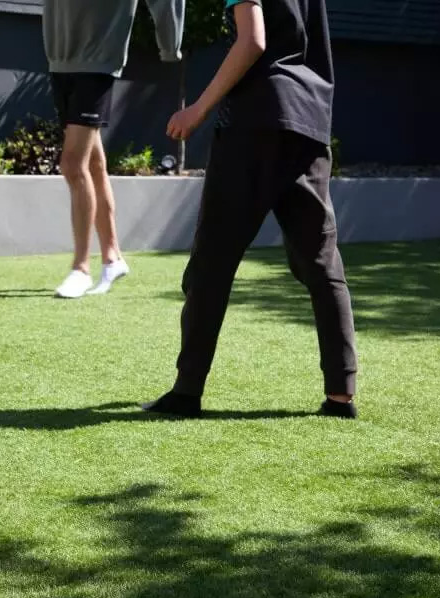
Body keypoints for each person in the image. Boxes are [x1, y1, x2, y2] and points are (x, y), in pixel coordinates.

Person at [142, 0, 359, 418]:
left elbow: (253, 40)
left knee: (212, 261)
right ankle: (341, 395)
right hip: (309, 122)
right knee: (322, 264)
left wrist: (198, 110)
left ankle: (186, 392)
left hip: (253, 124)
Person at [42, 0, 185, 299]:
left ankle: (81, 268)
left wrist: (170, 45)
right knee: (93, 164)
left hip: (98, 61)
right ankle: (112, 257)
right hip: (59, 57)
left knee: (72, 164)